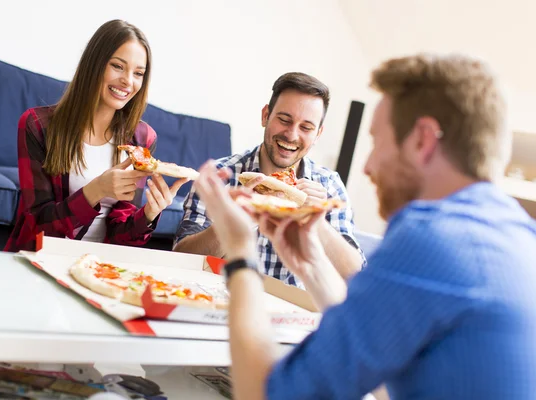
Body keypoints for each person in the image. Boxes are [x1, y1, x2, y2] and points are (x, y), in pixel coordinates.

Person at [194, 54, 536, 399]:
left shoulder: (429, 240)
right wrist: (312, 265)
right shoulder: (518, 234)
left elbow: (265, 394)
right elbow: (386, 379)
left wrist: (240, 253)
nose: (369, 167)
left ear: (423, 140)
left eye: (376, 141)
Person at [5, 20, 186, 252]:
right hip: (41, 258)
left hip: (99, 267)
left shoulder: (142, 138)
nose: (128, 81)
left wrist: (150, 213)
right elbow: (39, 225)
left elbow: (122, 238)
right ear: (94, 64)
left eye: (138, 73)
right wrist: (96, 190)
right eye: (118, 66)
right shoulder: (38, 125)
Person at [174, 72, 365, 287]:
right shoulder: (219, 175)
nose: (291, 135)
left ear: (318, 134)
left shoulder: (329, 185)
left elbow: (356, 276)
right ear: (266, 115)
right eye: (284, 120)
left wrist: (317, 224)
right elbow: (181, 258)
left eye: (306, 128)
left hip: (295, 312)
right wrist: (235, 220)